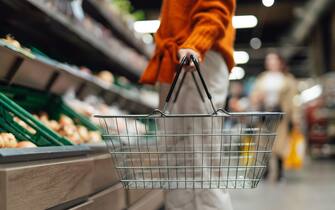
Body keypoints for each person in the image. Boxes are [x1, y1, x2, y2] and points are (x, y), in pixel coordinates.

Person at [140, 0, 236, 209]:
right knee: (179, 161)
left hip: (196, 57)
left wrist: (196, 44)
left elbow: (217, 6)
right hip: (181, 58)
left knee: (198, 161)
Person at [250, 52, 300, 182]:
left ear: (280, 62)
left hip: (281, 115)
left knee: (280, 144)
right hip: (264, 115)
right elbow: (254, 95)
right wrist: (257, 98)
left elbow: (293, 100)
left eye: (273, 60)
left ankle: (280, 172)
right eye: (268, 60)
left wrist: (295, 117)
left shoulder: (288, 79)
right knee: (264, 143)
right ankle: (265, 171)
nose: (271, 62)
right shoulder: (262, 78)